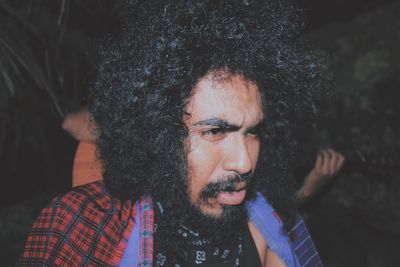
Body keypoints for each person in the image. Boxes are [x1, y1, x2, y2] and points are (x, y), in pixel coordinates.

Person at [19, 1, 328, 266]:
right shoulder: (80, 225)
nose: (244, 162)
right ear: (158, 133)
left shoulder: (272, 225)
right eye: (215, 131)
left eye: (253, 131)